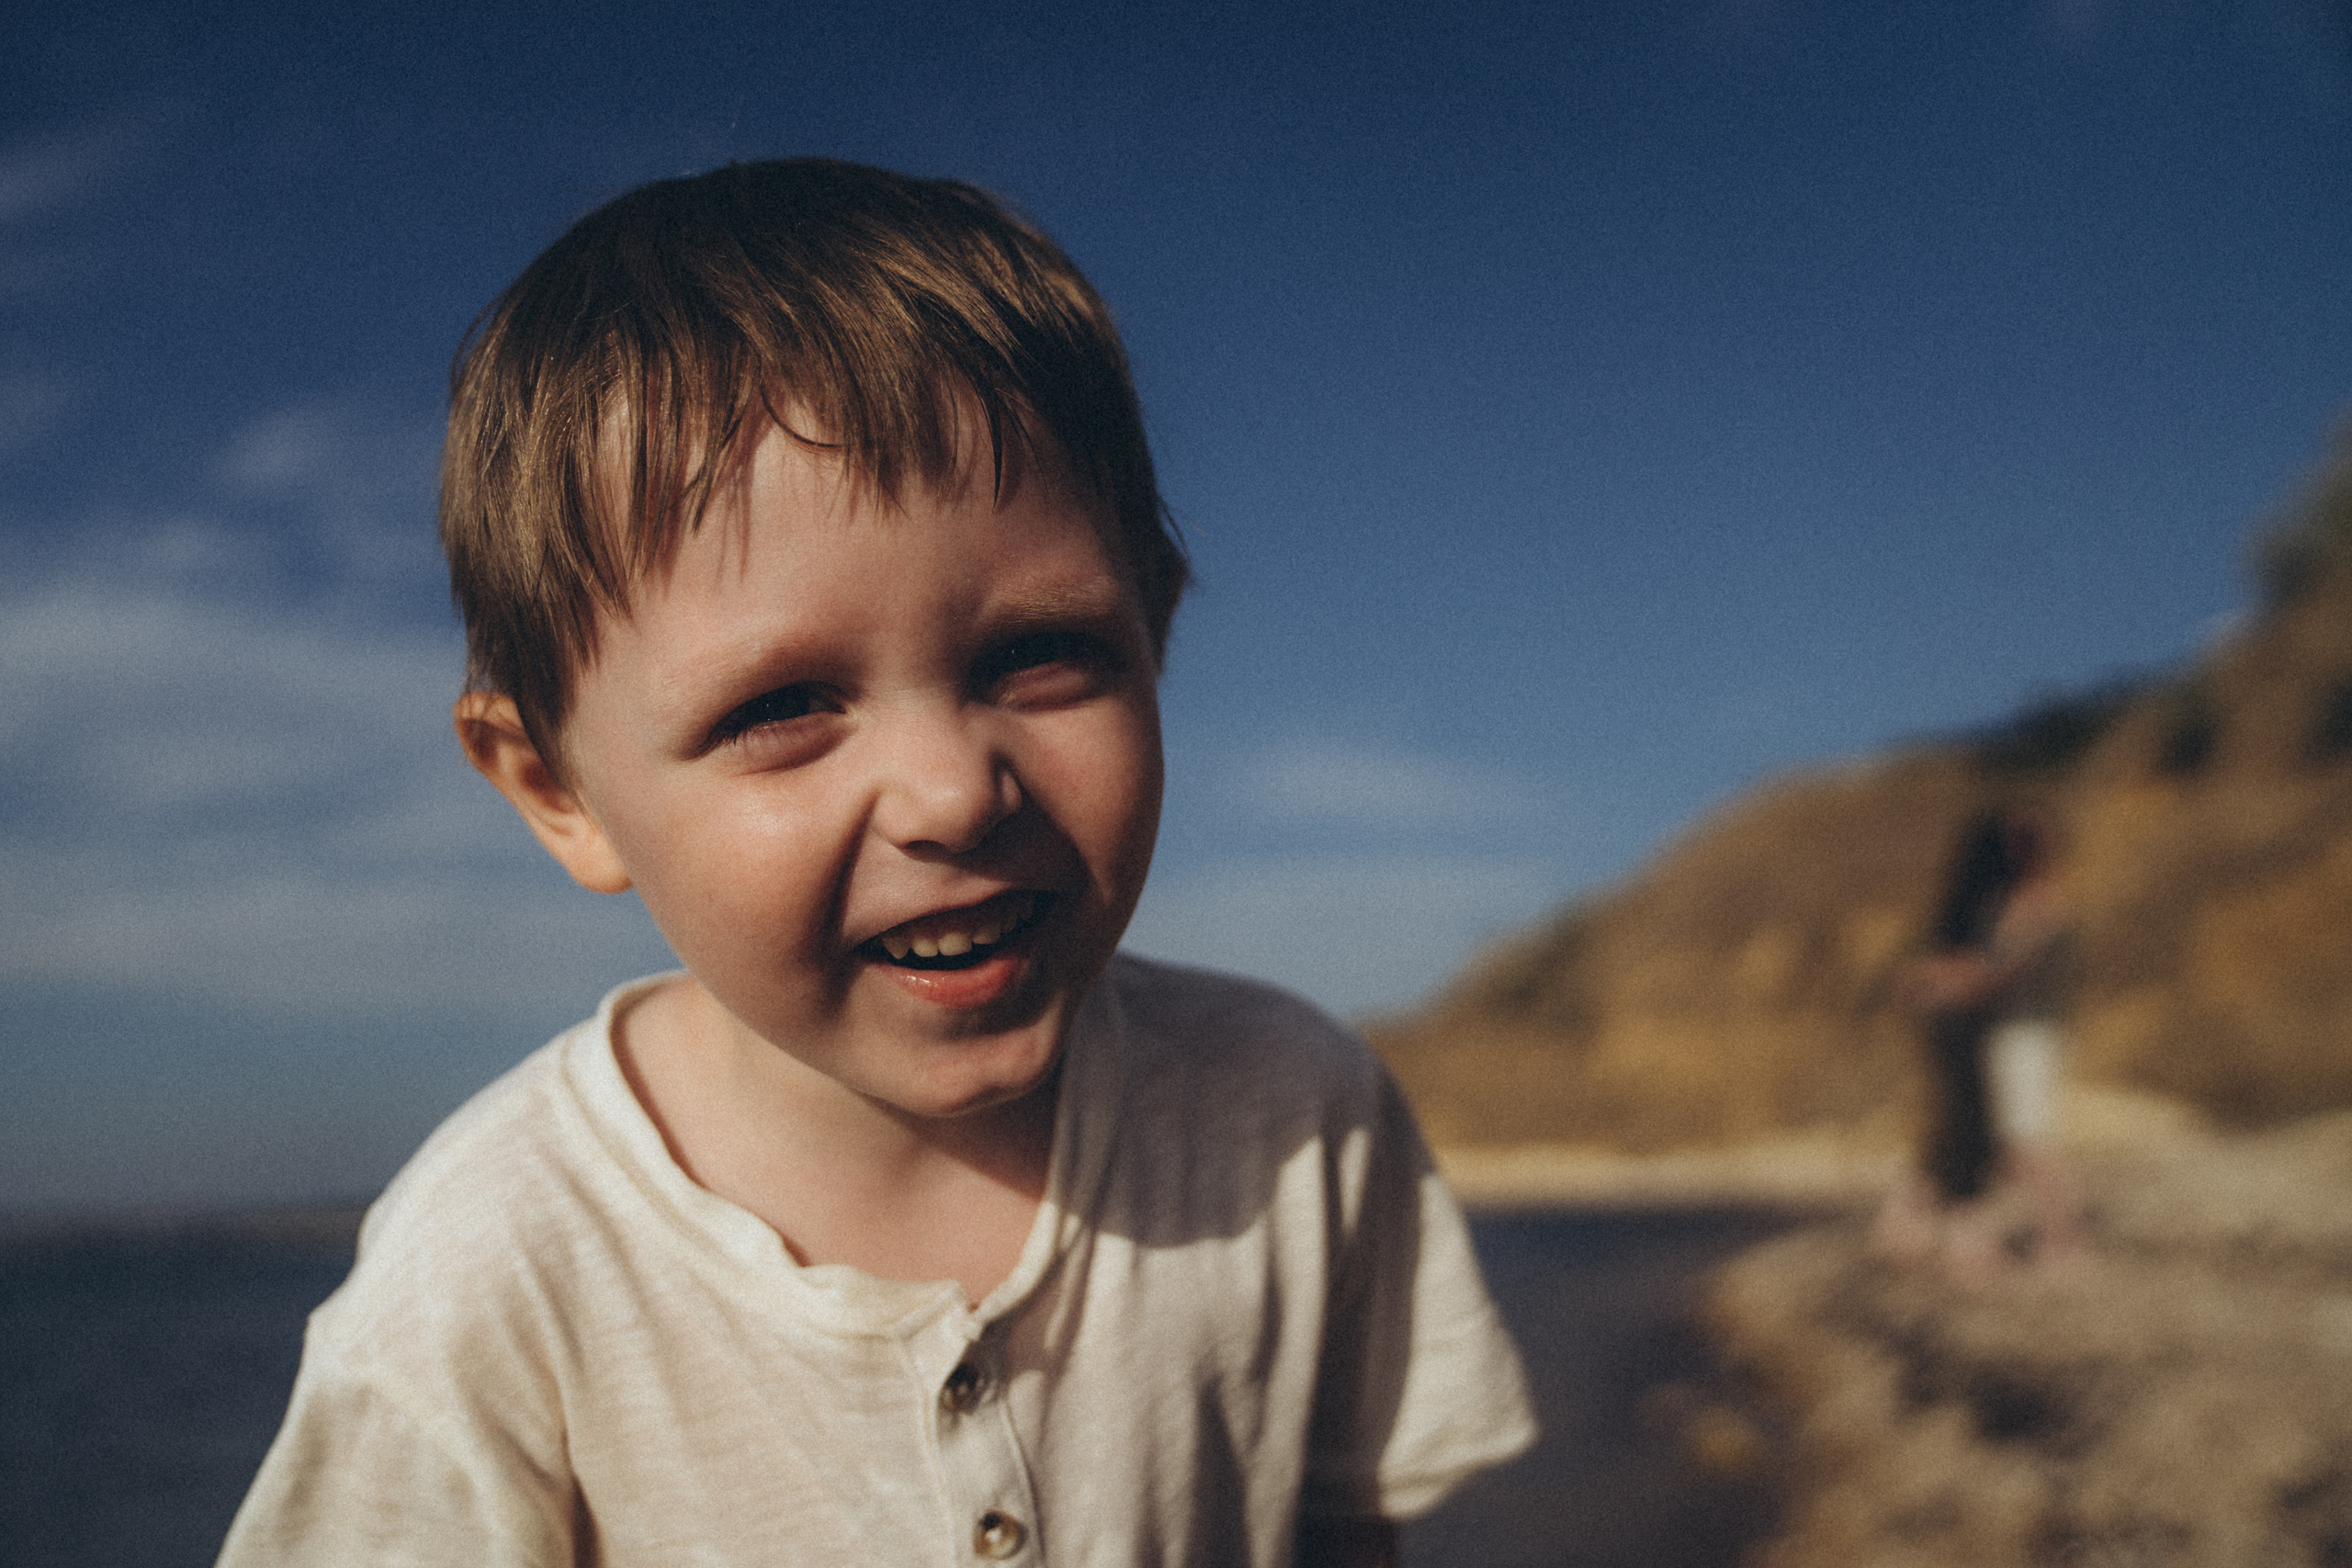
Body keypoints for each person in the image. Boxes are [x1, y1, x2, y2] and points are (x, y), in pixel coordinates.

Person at [216, 159, 1533, 1567]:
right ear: (559, 788)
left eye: (1039, 652)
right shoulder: (492, 1281)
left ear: (1154, 631)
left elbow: (1339, 1528)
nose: (954, 790)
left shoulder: (1290, 1117)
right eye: (783, 705)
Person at [1871, 806, 2087, 1283]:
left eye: (2022, 842)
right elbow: (1996, 970)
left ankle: (2063, 1244)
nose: (2016, 852)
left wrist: (1941, 978)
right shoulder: (2012, 902)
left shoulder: (2039, 903)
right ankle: (1919, 1227)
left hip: (2027, 1035)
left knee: (2025, 1143)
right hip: (2007, 1034)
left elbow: (2006, 972)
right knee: (1991, 1139)